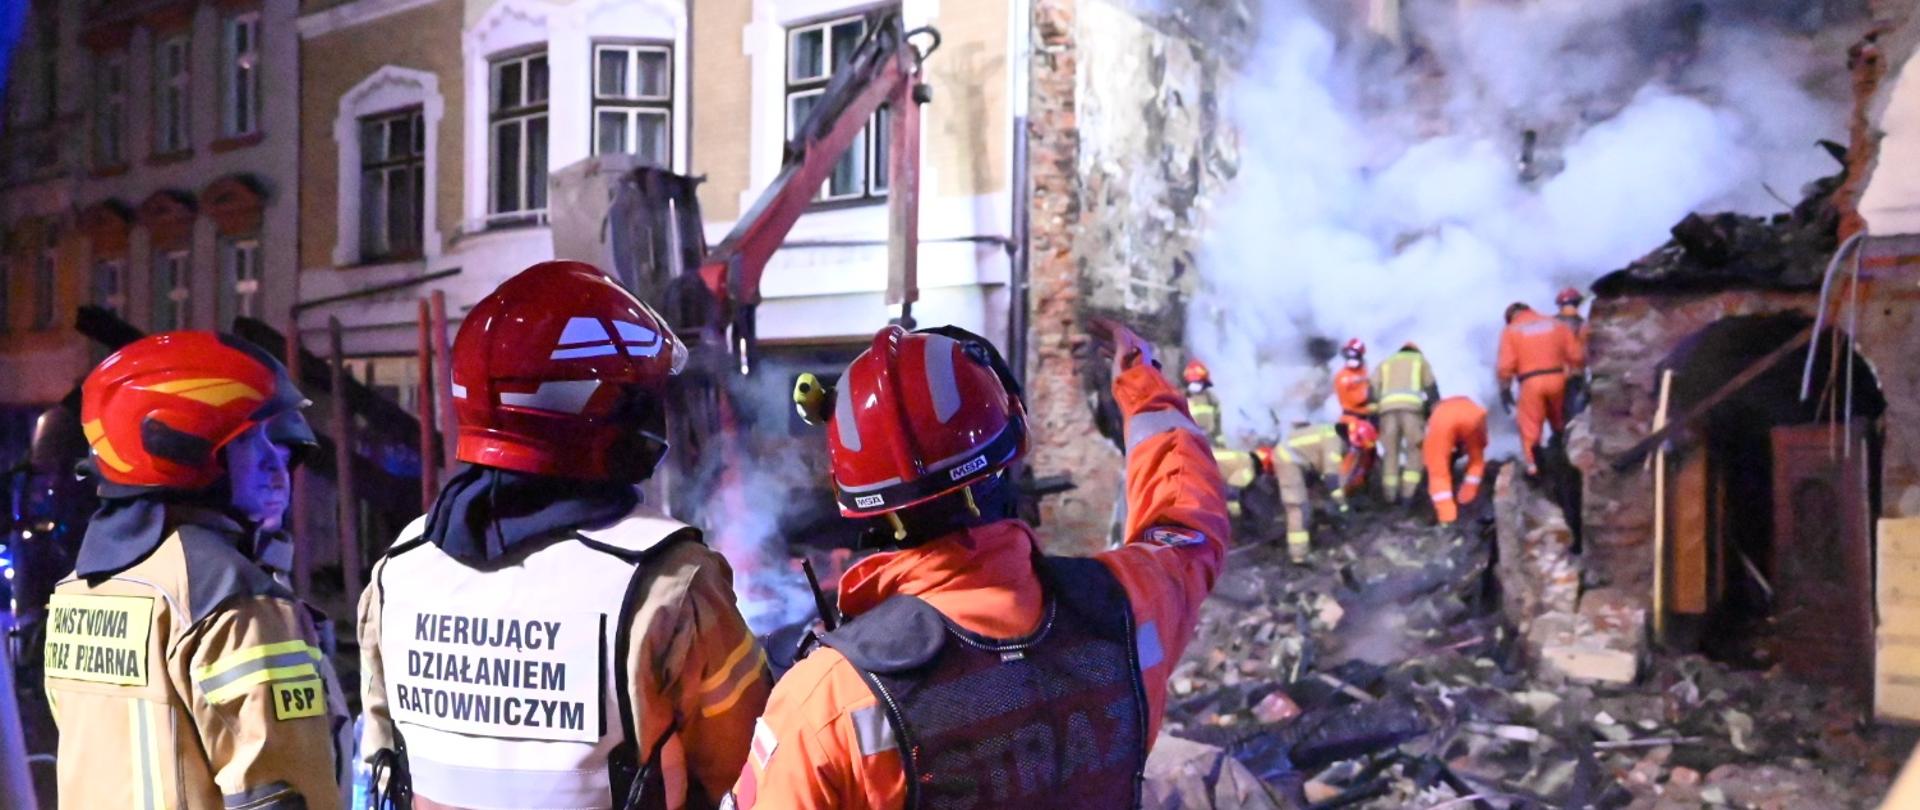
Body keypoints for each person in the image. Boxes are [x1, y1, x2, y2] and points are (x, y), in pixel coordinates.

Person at [732, 322, 1228, 808]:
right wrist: (1142, 381)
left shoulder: (824, 701)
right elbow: (1186, 515)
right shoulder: (1128, 603)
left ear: (855, 500)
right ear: (1012, 444)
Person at [358, 262, 770, 809]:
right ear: (600, 407)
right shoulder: (669, 581)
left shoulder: (400, 570)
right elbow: (752, 769)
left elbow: (382, 761)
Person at [47, 332, 348, 810]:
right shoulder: (234, 599)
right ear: (177, 447)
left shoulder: (77, 590)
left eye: (278, 441)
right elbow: (283, 793)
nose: (280, 463)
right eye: (248, 440)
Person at [1497, 302, 1587, 475]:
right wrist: (1576, 374)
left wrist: (1505, 390)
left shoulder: (1511, 330)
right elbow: (1576, 355)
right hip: (1558, 379)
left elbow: (1506, 366)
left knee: (1530, 426)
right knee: (1561, 420)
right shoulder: (1555, 324)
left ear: (1511, 317)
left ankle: (1534, 467)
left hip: (1531, 383)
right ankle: (1565, 456)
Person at [1275, 420, 1375, 562]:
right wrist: (1342, 506)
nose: (1353, 451)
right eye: (1356, 448)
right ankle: (1299, 556)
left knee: (1311, 499)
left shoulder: (1332, 435)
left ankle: (1311, 528)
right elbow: (1331, 478)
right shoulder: (1334, 443)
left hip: (1300, 459)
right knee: (1298, 506)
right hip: (1288, 459)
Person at [1370, 342, 1438, 504]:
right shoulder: (1420, 361)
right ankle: (1408, 496)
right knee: (1415, 450)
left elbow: (1372, 390)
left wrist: (1373, 416)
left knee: (1390, 453)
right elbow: (1431, 390)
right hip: (1412, 412)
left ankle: (1389, 496)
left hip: (1387, 413)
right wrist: (1433, 413)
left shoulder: (1385, 363)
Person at [1421, 396, 1489, 525]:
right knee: (1477, 459)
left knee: (1438, 472)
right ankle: (1467, 497)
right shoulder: (1469, 404)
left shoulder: (1436, 414)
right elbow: (1483, 441)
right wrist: (1468, 446)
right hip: (1473, 415)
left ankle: (1447, 518)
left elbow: (1430, 449)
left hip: (1443, 420)